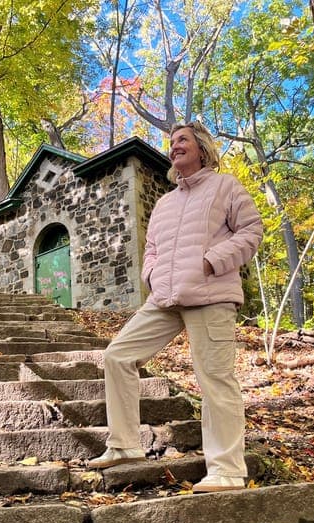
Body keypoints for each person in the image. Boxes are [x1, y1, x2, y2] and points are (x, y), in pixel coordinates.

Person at [87, 121, 263, 493]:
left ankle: (228, 471)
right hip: (163, 299)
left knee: (215, 379)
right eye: (171, 142)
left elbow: (251, 232)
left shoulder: (225, 186)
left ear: (202, 147)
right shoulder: (165, 203)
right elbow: (151, 249)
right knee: (117, 356)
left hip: (211, 295)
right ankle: (124, 445)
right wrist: (150, 274)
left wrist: (212, 261)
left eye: (182, 139)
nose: (174, 146)